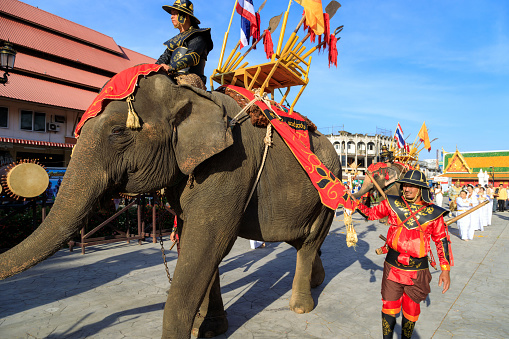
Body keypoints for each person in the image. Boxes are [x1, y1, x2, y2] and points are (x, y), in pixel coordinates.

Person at [357, 170, 452, 339]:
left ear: (421, 189)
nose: (407, 189)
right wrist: (352, 203)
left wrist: (445, 269)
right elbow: (371, 214)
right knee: (389, 306)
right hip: (393, 265)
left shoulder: (434, 213)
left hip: (417, 270)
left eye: (412, 186)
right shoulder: (392, 203)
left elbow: (441, 240)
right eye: (405, 185)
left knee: (411, 310)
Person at [156, 0, 214, 90]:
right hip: (172, 75)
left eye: (175, 14)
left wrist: (171, 68)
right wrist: (156, 67)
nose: (171, 17)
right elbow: (164, 58)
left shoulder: (198, 36)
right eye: (172, 14)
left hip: (191, 78)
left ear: (185, 16)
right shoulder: (174, 40)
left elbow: (192, 56)